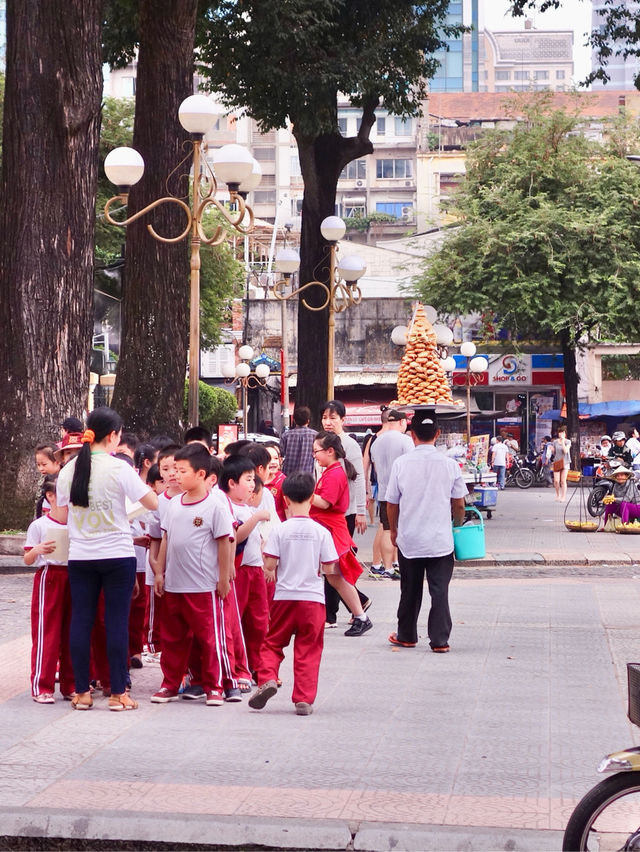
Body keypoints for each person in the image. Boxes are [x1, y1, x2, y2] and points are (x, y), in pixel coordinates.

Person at [56, 407, 158, 711]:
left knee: (81, 622)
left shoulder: (68, 470)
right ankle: (117, 693)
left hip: (81, 556)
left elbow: (61, 515)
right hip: (117, 555)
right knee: (116, 622)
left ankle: (83, 693)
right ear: (113, 435)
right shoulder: (119, 469)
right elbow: (151, 501)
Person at [150, 444, 235, 707]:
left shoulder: (215, 506)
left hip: (203, 587)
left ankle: (214, 686)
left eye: (182, 470)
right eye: (174, 469)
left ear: (201, 474)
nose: (175, 475)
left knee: (210, 639)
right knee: (173, 639)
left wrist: (222, 579)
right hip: (174, 585)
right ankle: (170, 684)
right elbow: (165, 538)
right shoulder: (173, 504)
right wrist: (160, 572)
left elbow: (224, 543)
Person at [248, 472, 338, 716]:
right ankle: (303, 699)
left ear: (285, 499)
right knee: (309, 647)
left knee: (273, 642)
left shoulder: (280, 530)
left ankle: (267, 677)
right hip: (313, 599)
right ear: (312, 497)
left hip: (284, 597)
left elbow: (269, 565)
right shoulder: (322, 532)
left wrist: (267, 558)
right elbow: (330, 567)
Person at [386, 412, 466, 652]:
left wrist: (393, 530)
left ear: (412, 435)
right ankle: (440, 640)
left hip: (410, 538)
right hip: (440, 540)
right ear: (438, 435)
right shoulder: (450, 465)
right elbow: (459, 503)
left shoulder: (401, 464)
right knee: (440, 591)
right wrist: (456, 526)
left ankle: (407, 635)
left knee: (409, 589)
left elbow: (392, 503)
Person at [310, 431, 372, 637]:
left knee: (337, 576)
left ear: (330, 451)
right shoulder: (332, 470)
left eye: (316, 451)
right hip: (330, 530)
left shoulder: (335, 473)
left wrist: (303, 493)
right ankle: (360, 615)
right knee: (335, 577)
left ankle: (361, 616)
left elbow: (325, 502)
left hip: (332, 531)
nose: (314, 455)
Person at [24, 475, 74, 703]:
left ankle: (70, 684)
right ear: (50, 496)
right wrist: (38, 549)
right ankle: (42, 685)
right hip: (50, 577)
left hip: (75, 576)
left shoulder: (77, 522)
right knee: (47, 632)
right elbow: (27, 558)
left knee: (73, 633)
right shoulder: (40, 525)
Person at [320, 400, 369, 623]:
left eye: (333, 418)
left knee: (337, 565)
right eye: (324, 418)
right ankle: (358, 602)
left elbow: (358, 478)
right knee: (331, 566)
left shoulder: (349, 444)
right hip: (326, 511)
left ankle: (331, 614)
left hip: (344, 511)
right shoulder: (321, 443)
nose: (328, 422)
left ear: (343, 420)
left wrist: (361, 511)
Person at [369, 410, 413, 578]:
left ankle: (387, 567)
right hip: (402, 493)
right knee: (401, 530)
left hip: (383, 493)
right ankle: (399, 564)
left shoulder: (377, 442)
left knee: (387, 529)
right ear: (402, 422)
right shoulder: (405, 441)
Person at [280, 405, 317, 476]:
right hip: (307, 475)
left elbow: (281, 454)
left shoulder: (286, 435)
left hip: (288, 475)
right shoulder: (315, 435)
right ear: (308, 421)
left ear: (294, 420)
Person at [551, 426, 572, 502]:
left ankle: (563, 496)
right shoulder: (555, 442)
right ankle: (557, 494)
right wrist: (552, 450)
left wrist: (563, 441)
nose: (561, 434)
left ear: (565, 433)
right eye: (560, 432)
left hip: (565, 462)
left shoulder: (568, 441)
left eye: (562, 432)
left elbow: (565, 451)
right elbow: (554, 453)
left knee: (563, 481)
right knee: (556, 481)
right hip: (557, 461)